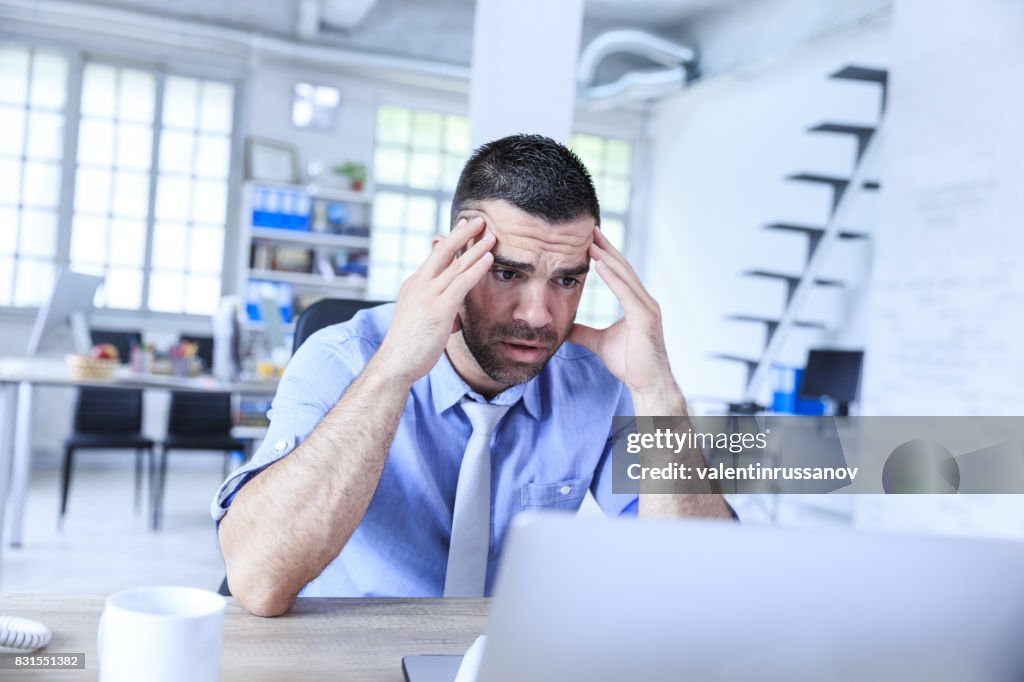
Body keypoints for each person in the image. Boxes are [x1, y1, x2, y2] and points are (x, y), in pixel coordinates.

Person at [214, 134, 733, 617]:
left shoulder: (596, 380)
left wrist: (658, 394)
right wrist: (394, 370)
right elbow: (259, 581)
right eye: (508, 273)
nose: (538, 315)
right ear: (452, 258)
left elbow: (697, 584)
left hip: (504, 654)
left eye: (566, 280)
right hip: (354, 654)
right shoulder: (342, 358)